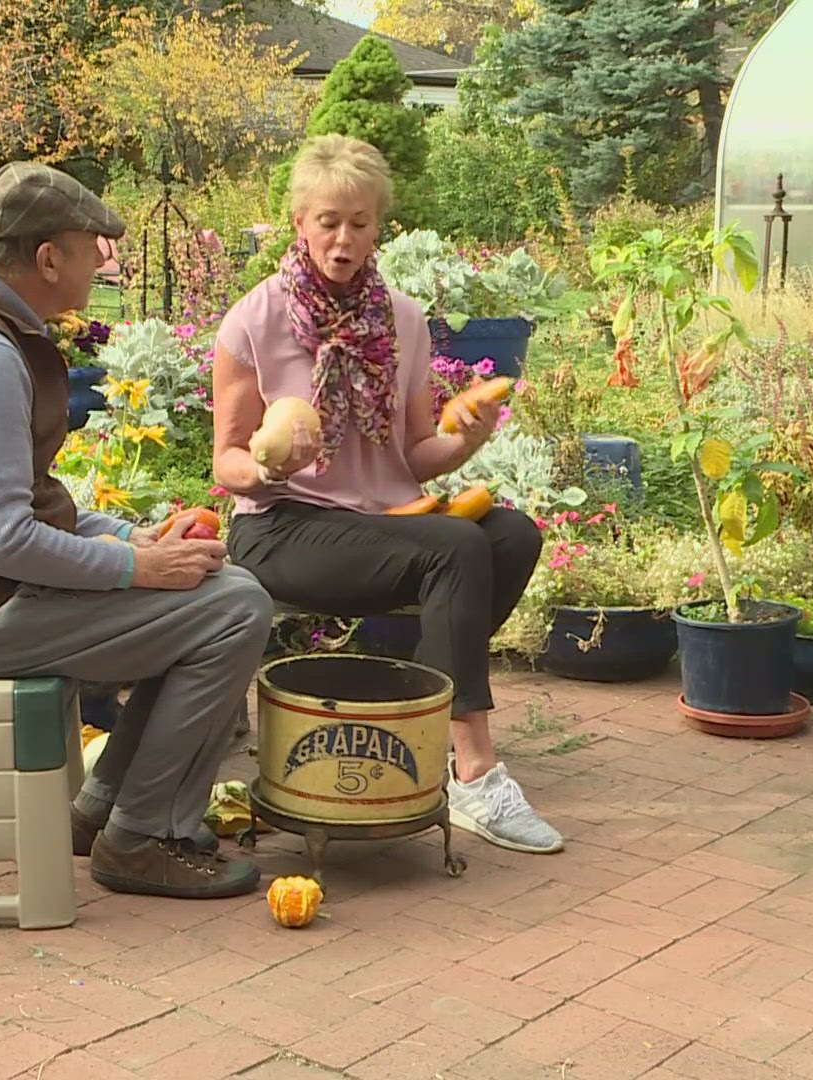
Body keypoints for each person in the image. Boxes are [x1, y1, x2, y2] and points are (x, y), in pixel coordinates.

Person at [0, 161, 271, 900]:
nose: (103, 259)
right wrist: (137, 569)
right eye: (93, 244)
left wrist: (134, 539)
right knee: (235, 609)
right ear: (47, 258)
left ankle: (106, 808)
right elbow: (2, 541)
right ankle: (144, 838)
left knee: (224, 592)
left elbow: (23, 504)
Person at [210, 134, 563, 854]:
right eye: (329, 221)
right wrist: (273, 465)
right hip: (284, 526)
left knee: (513, 535)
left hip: (383, 523)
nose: (344, 240)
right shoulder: (256, 318)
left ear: (380, 226)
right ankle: (472, 771)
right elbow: (227, 463)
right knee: (457, 547)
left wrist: (466, 434)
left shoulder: (400, 318)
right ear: (299, 220)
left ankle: (415, 726)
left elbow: (412, 456)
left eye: (360, 223)